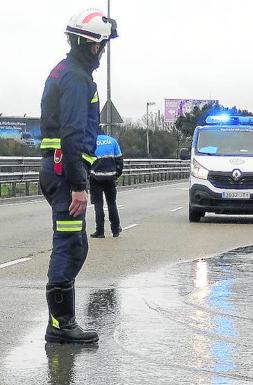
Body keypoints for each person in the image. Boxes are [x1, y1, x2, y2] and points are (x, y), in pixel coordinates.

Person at [38, 8, 117, 344]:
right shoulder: (77, 78)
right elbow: (71, 133)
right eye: (102, 45)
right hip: (64, 171)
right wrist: (79, 185)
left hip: (58, 169)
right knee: (70, 247)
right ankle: (61, 325)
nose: (103, 52)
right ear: (92, 45)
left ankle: (62, 322)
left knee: (75, 245)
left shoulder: (65, 71)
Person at [89, 130, 124, 238]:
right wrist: (117, 174)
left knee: (98, 205)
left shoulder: (91, 141)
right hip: (110, 177)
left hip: (95, 177)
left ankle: (100, 231)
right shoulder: (112, 141)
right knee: (112, 203)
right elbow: (119, 160)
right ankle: (115, 229)